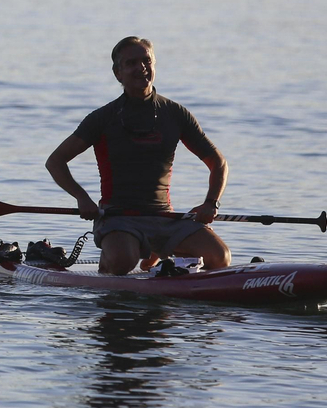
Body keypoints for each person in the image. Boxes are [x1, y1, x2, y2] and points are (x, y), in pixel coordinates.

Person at [43, 37, 231, 273]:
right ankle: (116, 261)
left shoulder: (175, 114)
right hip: (117, 218)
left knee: (220, 257)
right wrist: (82, 198)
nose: (141, 67)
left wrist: (211, 203)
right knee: (124, 261)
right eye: (131, 63)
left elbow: (218, 163)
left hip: (165, 218)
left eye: (146, 60)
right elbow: (55, 162)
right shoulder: (103, 118)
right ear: (117, 73)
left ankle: (158, 252)